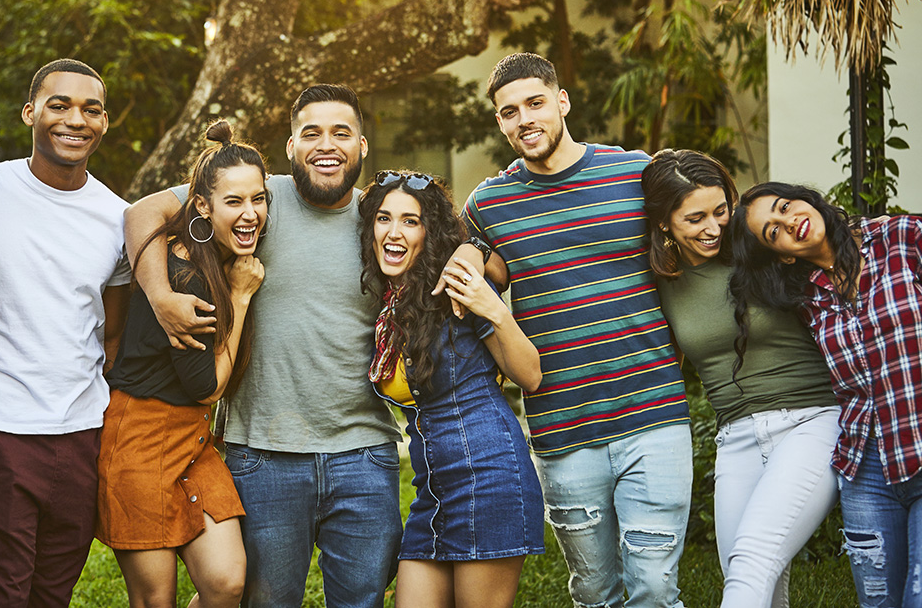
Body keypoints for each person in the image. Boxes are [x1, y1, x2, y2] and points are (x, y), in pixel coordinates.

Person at [125, 84, 416, 608]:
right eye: (312, 133)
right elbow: (141, 213)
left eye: (341, 133)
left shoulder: (383, 221)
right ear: (290, 146)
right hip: (264, 455)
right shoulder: (257, 197)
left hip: (364, 456)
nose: (326, 145)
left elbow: (451, 245)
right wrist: (161, 295)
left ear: (363, 147)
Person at [463, 53, 693, 607]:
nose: (524, 120)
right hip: (562, 428)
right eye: (509, 112)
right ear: (500, 122)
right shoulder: (488, 206)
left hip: (654, 412)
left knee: (656, 586)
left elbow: (697, 240)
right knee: (594, 591)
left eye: (535, 104)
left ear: (562, 102)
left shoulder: (634, 173)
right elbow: (465, 280)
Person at [0, 59, 132, 608]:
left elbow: (111, 330)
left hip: (83, 434)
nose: (75, 120)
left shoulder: (118, 217)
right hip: (0, 428)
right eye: (59, 105)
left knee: (53, 593)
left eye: (91, 109)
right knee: (2, 593)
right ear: (30, 112)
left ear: (105, 123)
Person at [641, 152, 839, 608]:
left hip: (811, 420)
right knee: (746, 573)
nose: (713, 227)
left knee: (753, 559)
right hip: (736, 436)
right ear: (665, 223)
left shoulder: (760, 249)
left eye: (720, 210)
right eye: (695, 218)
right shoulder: (660, 280)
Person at [357, 169, 545, 607]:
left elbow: (530, 375)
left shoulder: (456, 288)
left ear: (429, 232)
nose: (394, 232)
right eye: (384, 219)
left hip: (489, 478)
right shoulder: (387, 305)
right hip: (432, 493)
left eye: (411, 220)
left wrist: (493, 308)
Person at [96, 119, 264, 608]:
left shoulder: (216, 250)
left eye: (258, 199)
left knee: (227, 582)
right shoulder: (186, 275)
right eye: (234, 202)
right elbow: (207, 387)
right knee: (156, 599)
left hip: (193, 440)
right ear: (202, 208)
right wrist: (240, 295)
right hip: (138, 439)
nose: (250, 213)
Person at [730, 182, 922, 608]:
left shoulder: (902, 237)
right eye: (773, 231)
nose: (788, 221)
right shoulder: (805, 299)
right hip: (866, 473)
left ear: (805, 199)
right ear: (781, 254)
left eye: (784, 206)